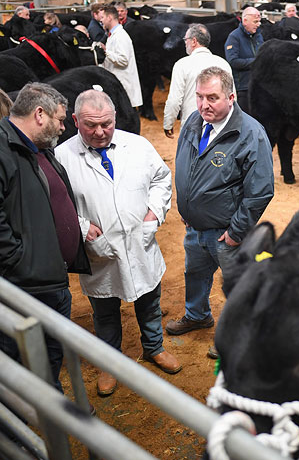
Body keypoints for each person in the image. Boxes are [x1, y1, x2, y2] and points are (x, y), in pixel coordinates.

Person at [55, 90, 180, 397]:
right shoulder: (62, 157)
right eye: (90, 125)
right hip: (100, 253)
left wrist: (153, 213)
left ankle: (154, 347)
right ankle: (110, 363)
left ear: (115, 119)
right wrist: (83, 228)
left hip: (141, 243)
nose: (99, 132)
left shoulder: (137, 146)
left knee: (150, 299)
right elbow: (56, 205)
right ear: (75, 121)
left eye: (106, 124)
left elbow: (161, 179)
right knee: (105, 309)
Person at [167, 67, 274, 354]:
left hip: (226, 233)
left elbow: (261, 190)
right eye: (199, 97)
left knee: (237, 286)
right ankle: (197, 315)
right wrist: (186, 206)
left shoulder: (251, 134)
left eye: (212, 98)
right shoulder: (193, 120)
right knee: (195, 275)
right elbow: (185, 164)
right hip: (195, 227)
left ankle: (235, 334)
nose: (203, 105)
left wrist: (236, 232)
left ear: (231, 97)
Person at [0, 83, 91, 393]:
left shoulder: (35, 146)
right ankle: (20, 430)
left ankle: (51, 403)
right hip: (26, 284)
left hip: (50, 278)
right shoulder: (3, 149)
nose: (63, 127)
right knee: (20, 356)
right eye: (60, 119)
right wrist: (20, 260)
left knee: (52, 352)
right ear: (39, 114)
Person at [164, 24, 233, 139]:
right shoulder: (223, 63)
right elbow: (232, 98)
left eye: (186, 39)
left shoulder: (182, 65)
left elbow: (174, 100)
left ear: (193, 41)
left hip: (192, 125)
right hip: (220, 125)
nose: (185, 43)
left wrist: (168, 123)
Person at [99, 5, 142, 108]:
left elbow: (123, 60)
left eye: (103, 17)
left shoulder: (121, 36)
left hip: (123, 86)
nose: (101, 21)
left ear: (109, 17)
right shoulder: (112, 35)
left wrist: (106, 52)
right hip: (118, 85)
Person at [224, 7, 264, 113]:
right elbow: (233, 61)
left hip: (258, 85)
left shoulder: (258, 36)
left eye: (259, 21)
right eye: (255, 21)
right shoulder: (234, 37)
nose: (258, 24)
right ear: (245, 21)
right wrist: (256, 62)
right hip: (243, 88)